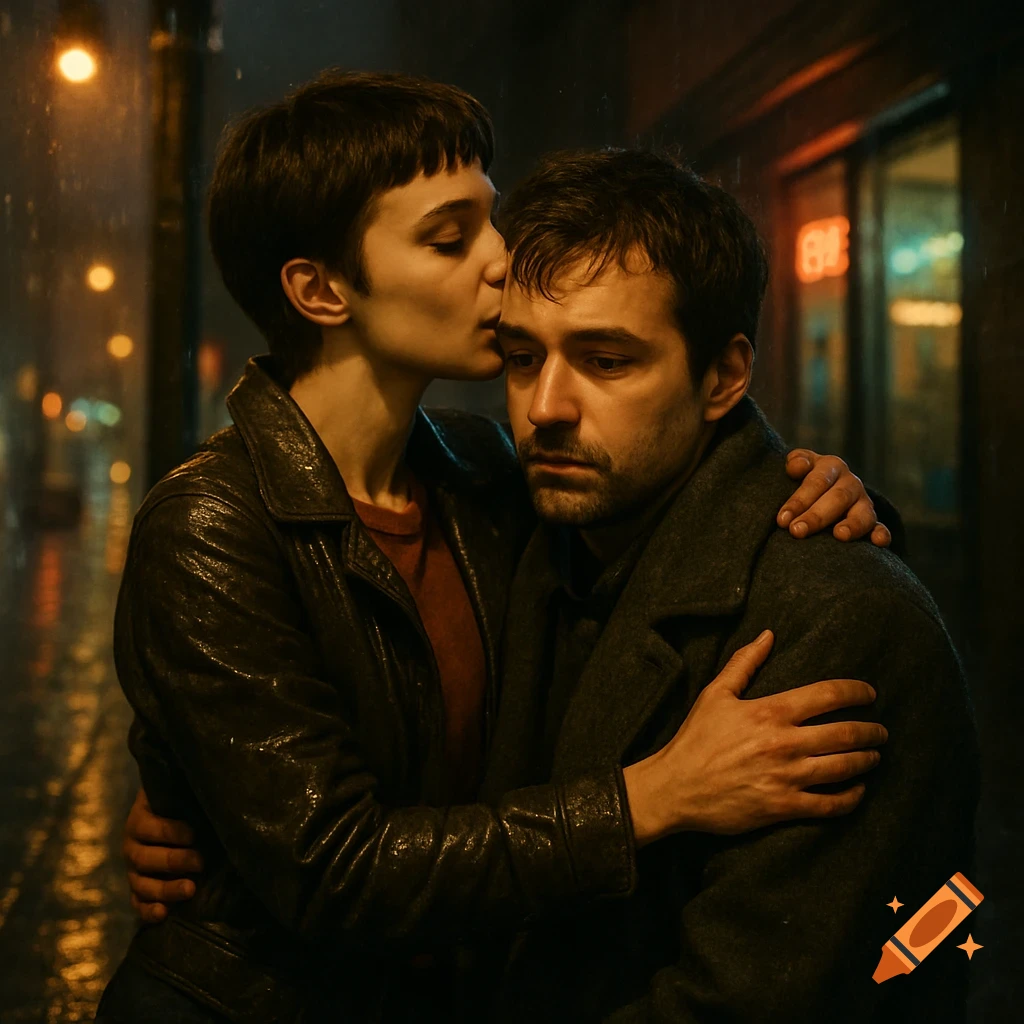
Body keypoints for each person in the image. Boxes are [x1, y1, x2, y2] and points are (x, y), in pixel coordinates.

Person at [98, 72, 894, 1024]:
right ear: (319, 289)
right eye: (450, 238)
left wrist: (816, 492)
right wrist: (649, 798)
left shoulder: (481, 473)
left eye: (492, 219)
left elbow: (665, 494)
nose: (501, 260)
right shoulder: (211, 526)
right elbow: (332, 870)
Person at [462, 148, 974, 1021]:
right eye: (520, 357)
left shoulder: (841, 620)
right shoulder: (510, 533)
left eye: (607, 361)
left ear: (725, 377)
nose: (544, 406)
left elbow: (753, 1000)